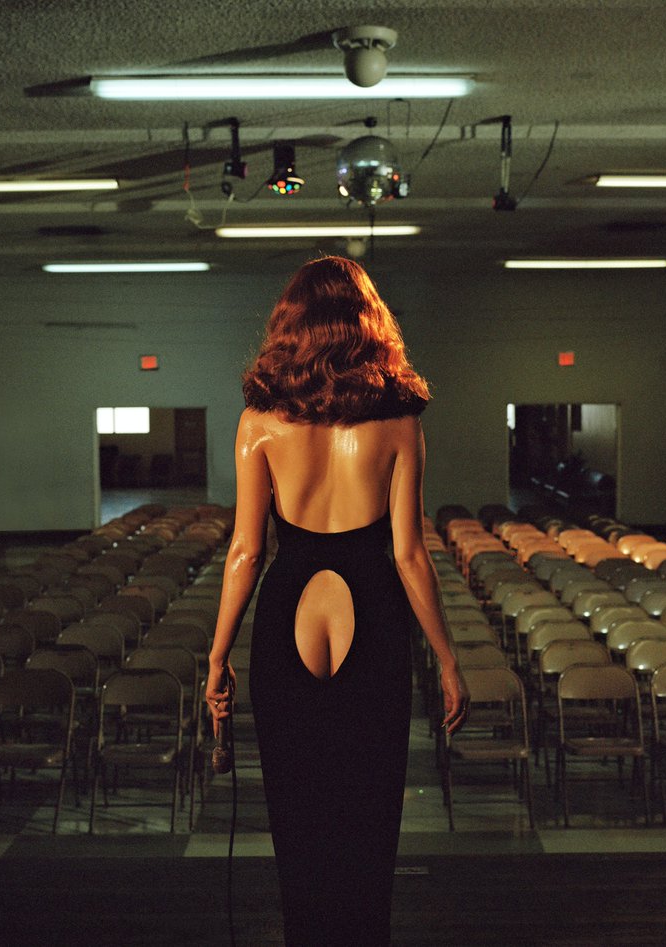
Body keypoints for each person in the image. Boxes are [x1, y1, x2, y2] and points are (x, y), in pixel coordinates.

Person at [205, 256, 469, 946]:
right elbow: (409, 554)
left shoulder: (259, 422)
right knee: (369, 823)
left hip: (288, 605)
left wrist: (216, 657)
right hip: (372, 607)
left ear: (290, 326)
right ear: (368, 325)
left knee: (296, 827)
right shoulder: (401, 421)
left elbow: (246, 551)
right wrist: (448, 661)